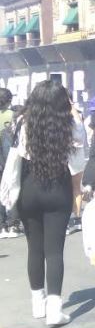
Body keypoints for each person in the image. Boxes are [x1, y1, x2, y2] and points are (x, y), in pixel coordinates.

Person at [15, 80, 87, 326]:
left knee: (34, 247)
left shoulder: (25, 123)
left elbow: (22, 155)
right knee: (55, 250)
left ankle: (38, 303)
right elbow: (78, 165)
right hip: (59, 187)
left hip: (30, 187)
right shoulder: (73, 125)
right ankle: (55, 309)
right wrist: (77, 192)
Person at [0, 88, 19, 238]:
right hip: (10, 158)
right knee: (13, 187)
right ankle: (13, 224)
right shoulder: (13, 115)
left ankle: (1, 226)